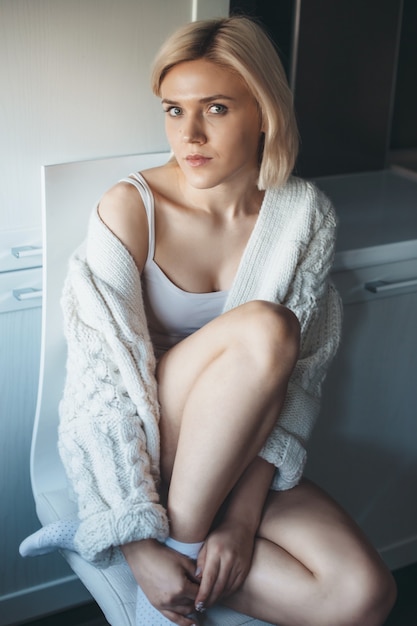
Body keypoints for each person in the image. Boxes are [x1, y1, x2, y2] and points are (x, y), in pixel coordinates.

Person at [20, 16, 396, 626]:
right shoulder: (130, 207)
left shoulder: (304, 215)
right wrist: (139, 539)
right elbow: (101, 384)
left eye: (216, 108)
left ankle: (161, 550)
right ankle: (166, 548)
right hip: (150, 441)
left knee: (362, 596)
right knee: (266, 327)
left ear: (265, 113)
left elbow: (297, 384)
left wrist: (243, 522)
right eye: (173, 110)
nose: (188, 134)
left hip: (240, 452)